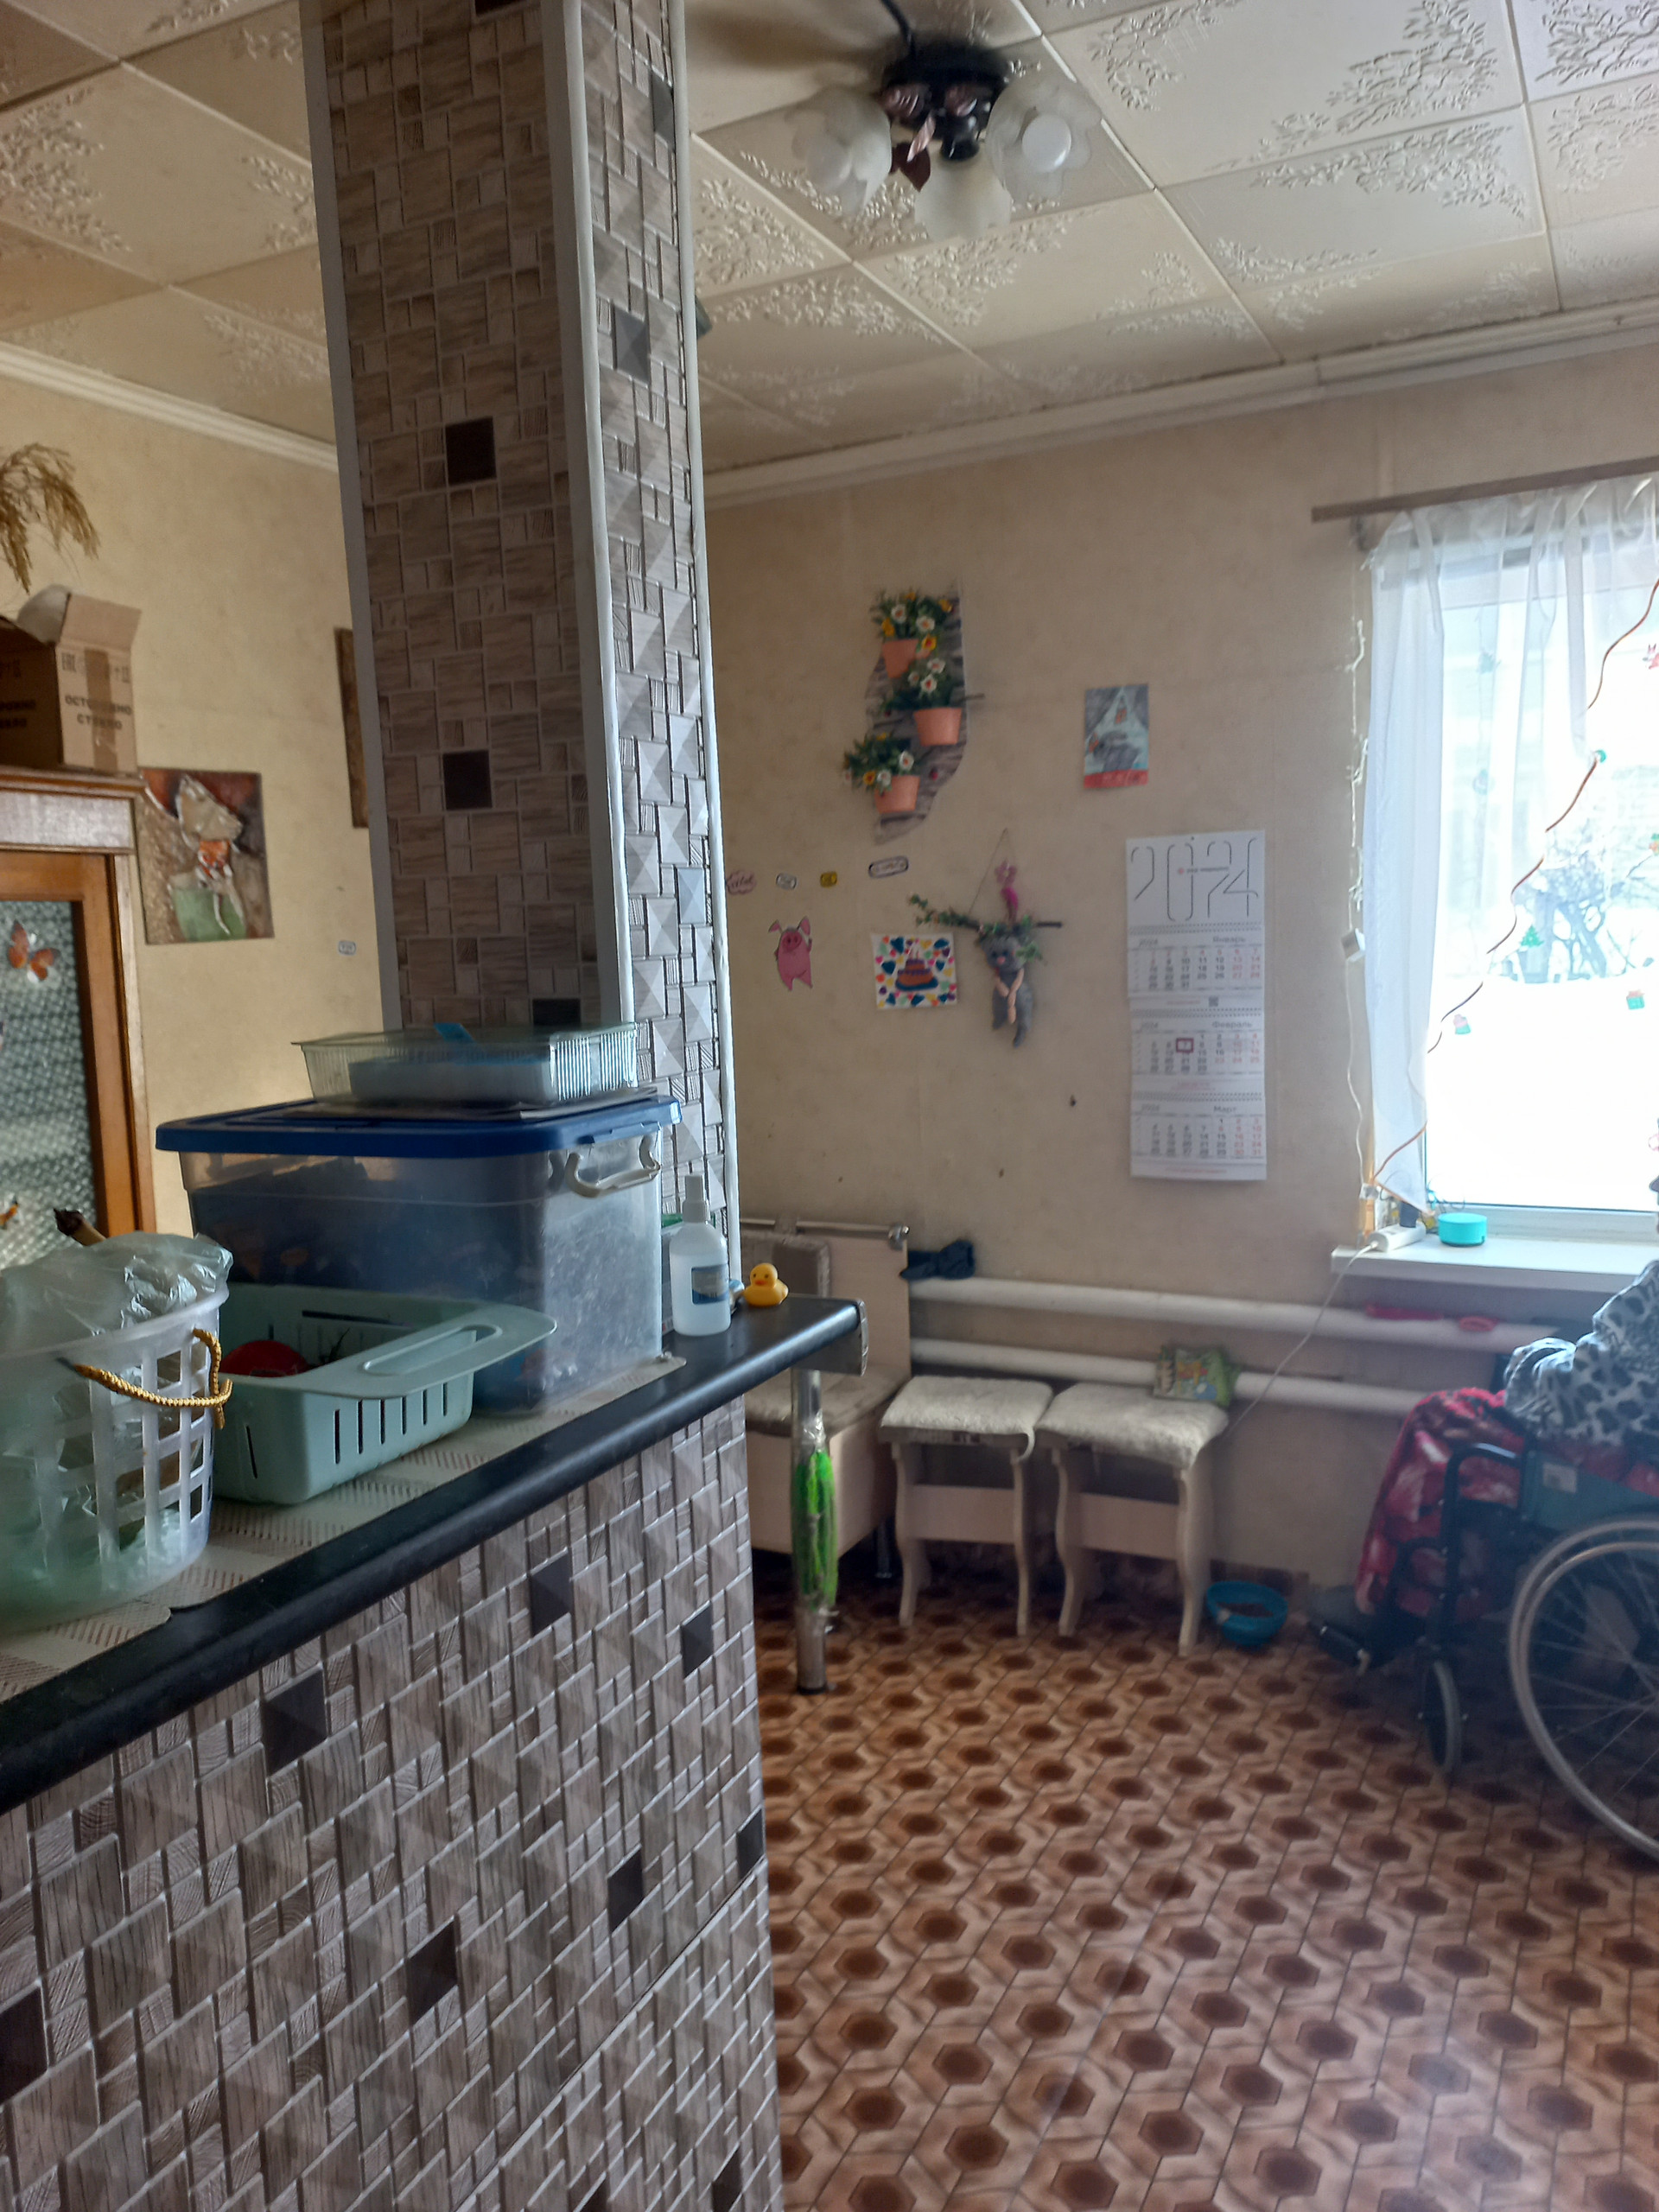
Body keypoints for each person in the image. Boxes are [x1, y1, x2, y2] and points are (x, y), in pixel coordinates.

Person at [1314, 1185, 1659, 1648]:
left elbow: (1586, 1397)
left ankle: (1400, 1605)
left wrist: (1532, 1359)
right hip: (1638, 1451)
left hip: (1626, 1471)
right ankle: (1462, 1597)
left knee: (1438, 1418)